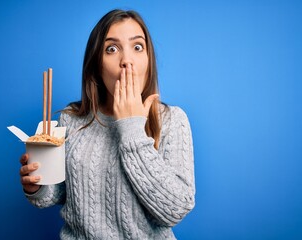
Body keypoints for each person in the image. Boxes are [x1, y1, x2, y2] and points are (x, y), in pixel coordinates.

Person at [19, 9, 195, 240]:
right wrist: (37, 186)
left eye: (137, 47)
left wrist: (131, 127)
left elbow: (175, 210)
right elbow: (60, 193)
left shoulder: (173, 120)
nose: (126, 61)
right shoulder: (71, 119)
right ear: (96, 66)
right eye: (111, 49)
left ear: (148, 60)